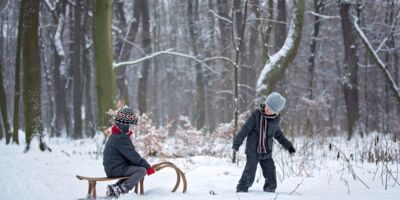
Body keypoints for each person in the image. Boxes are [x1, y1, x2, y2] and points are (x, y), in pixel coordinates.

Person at [232, 92, 296, 193]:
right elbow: (245, 130)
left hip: (266, 150)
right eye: (267, 106)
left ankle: (270, 189)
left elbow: (280, 136)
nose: (266, 109)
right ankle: (242, 188)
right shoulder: (256, 116)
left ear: (276, 112)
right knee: (250, 169)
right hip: (253, 149)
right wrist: (236, 143)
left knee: (270, 170)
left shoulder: (275, 121)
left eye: (270, 109)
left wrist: (289, 147)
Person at [103, 106, 155, 198]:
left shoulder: (116, 135)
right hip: (116, 168)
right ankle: (121, 189)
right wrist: (147, 167)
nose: (130, 128)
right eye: (129, 125)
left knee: (136, 169)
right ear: (124, 125)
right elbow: (133, 156)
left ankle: (114, 188)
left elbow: (129, 156)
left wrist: (141, 164)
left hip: (114, 167)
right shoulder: (120, 138)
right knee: (141, 171)